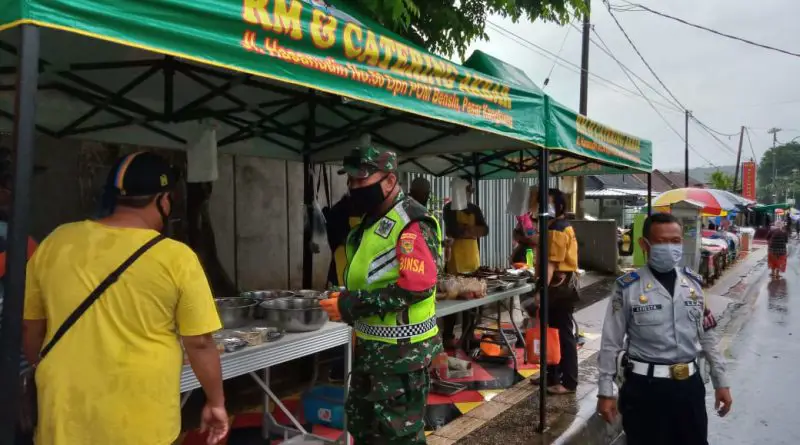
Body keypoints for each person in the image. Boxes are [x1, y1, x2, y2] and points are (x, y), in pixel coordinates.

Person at [22, 152, 228, 445]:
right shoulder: (176, 258)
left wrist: (48, 370)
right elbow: (199, 342)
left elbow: (31, 328)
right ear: (163, 200)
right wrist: (216, 402)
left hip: (64, 412)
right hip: (141, 415)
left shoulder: (57, 241)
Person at [319, 146, 442, 445]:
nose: (354, 188)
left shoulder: (412, 222)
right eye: (350, 182)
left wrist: (350, 305)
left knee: (398, 437)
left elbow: (416, 287)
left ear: (389, 181)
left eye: (361, 180)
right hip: (373, 350)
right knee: (364, 430)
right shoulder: (370, 222)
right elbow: (372, 278)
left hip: (401, 356)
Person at [596, 212, 733, 445]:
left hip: (689, 389)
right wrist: (605, 390)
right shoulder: (627, 288)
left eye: (675, 241)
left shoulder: (693, 285)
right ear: (644, 244)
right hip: (645, 391)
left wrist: (721, 381)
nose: (670, 247)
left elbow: (707, 335)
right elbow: (611, 341)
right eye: (662, 241)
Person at [526, 188, 580, 395]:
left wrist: (542, 290)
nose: (544, 208)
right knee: (550, 332)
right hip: (558, 285)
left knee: (562, 335)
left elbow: (551, 263)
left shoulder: (558, 227)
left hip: (560, 288)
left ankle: (568, 382)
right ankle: (551, 375)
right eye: (542, 204)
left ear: (559, 206)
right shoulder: (550, 226)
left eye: (548, 204)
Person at [441, 176, 488, 348]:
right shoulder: (448, 209)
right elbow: (454, 230)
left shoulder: (475, 209)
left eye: (468, 190)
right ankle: (448, 336)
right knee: (452, 298)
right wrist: (471, 231)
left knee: (473, 298)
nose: (466, 193)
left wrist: (469, 230)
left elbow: (485, 230)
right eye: (463, 190)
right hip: (454, 260)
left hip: (472, 259)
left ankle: (469, 334)